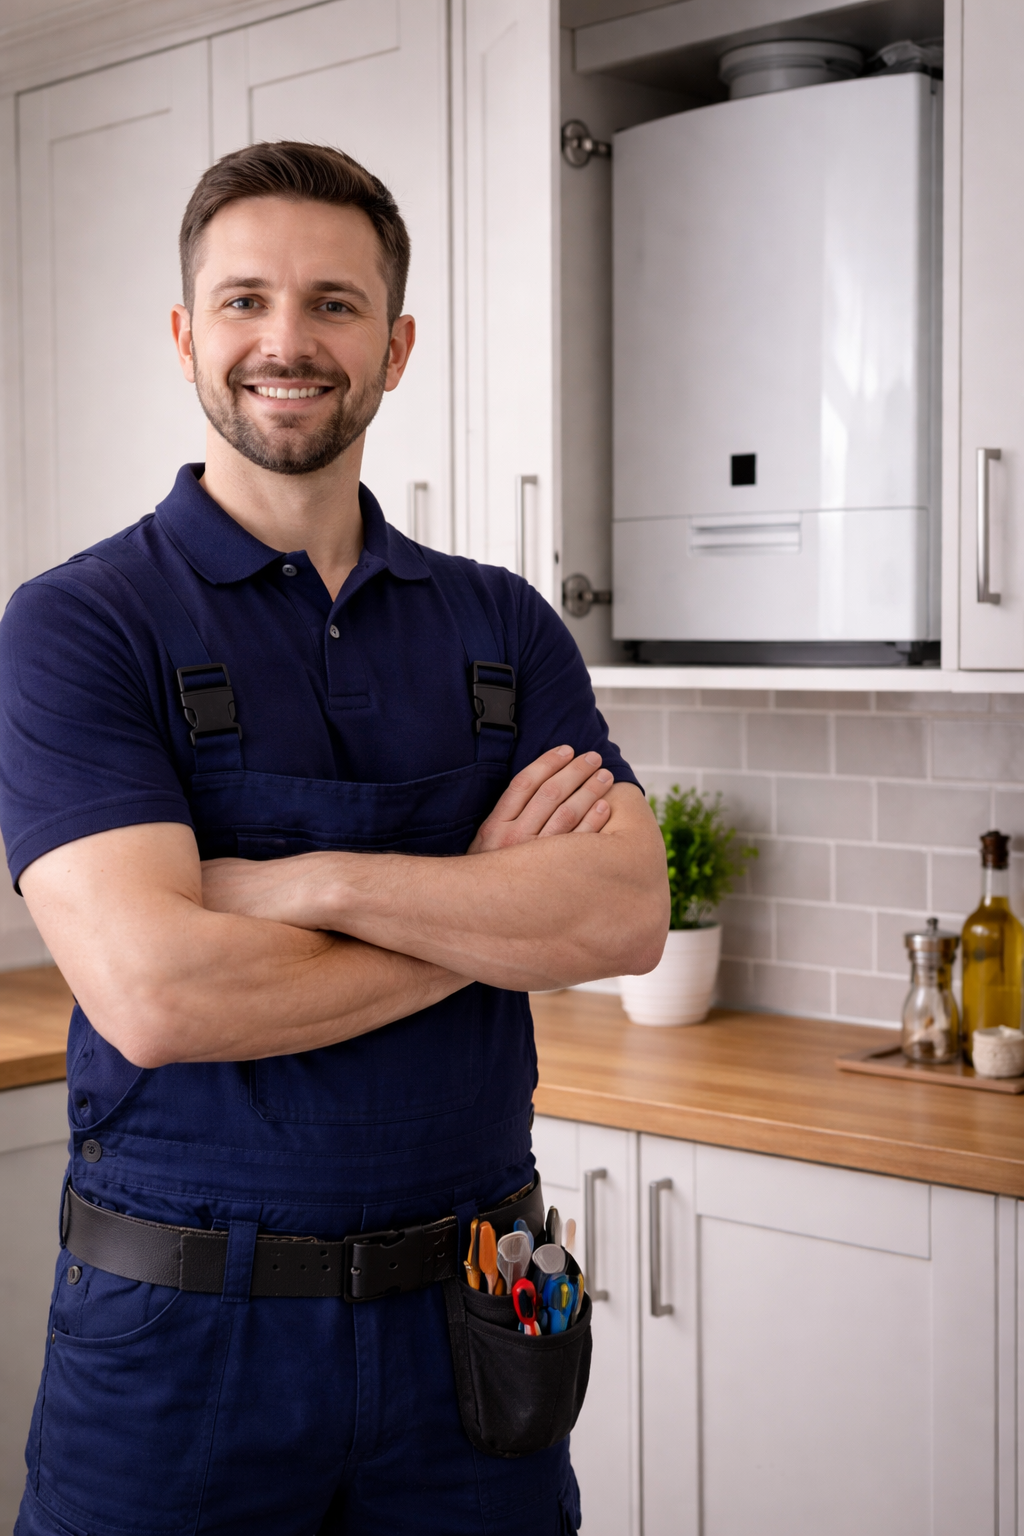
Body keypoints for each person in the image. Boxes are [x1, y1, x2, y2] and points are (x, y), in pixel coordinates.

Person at [0, 141, 668, 1535]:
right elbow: (159, 994)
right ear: (187, 337)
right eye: (243, 301)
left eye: (334, 304)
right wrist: (491, 916)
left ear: (397, 343)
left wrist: (319, 883)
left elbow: (619, 917)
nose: (286, 341)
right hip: (181, 1353)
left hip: (474, 1333)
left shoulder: (503, 626)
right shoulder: (81, 624)